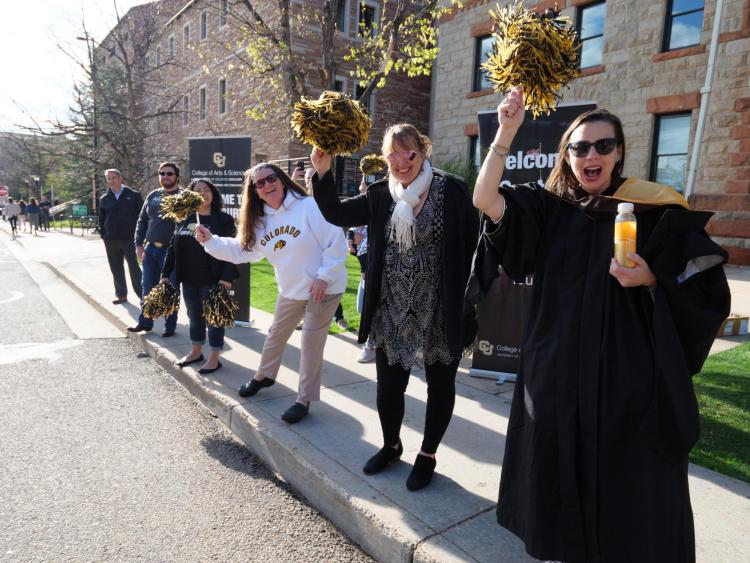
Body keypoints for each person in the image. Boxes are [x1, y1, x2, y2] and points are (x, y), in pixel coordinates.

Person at [472, 87, 731, 563]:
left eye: (603, 146)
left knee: (629, 486)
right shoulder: (547, 209)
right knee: (559, 482)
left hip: (627, 375)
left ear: (618, 154)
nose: (592, 155)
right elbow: (485, 196)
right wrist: (507, 131)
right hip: (558, 374)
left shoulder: (651, 211)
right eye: (581, 147)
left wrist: (652, 277)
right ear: (567, 155)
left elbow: (705, 288)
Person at [310, 123, 479, 491]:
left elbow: (472, 242)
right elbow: (335, 213)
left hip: (438, 308)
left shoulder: (451, 190)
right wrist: (322, 171)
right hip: (392, 309)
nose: (401, 162)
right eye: (393, 155)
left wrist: (470, 298)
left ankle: (428, 454)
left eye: (409, 153)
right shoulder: (379, 195)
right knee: (388, 387)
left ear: (423, 152)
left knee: (440, 385)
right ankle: (391, 445)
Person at [195, 163, 347, 424]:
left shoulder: (309, 206)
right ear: (255, 191)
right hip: (291, 288)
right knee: (275, 334)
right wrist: (210, 240)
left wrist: (324, 276)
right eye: (260, 184)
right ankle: (264, 375)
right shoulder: (260, 219)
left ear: (283, 179)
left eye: (270, 179)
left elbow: (335, 241)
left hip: (324, 287)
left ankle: (304, 399)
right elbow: (243, 251)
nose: (266, 185)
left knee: (310, 343)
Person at [160, 179, 238, 374]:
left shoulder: (224, 220)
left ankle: (214, 357)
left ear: (213, 194)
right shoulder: (184, 219)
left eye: (207, 189)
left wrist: (226, 277)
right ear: (190, 196)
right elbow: (173, 248)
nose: (203, 193)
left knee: (214, 319)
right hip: (188, 279)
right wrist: (165, 274)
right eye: (198, 190)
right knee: (194, 317)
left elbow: (233, 250)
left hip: (214, 280)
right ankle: (196, 351)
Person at [129, 162, 182, 337]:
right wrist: (138, 244)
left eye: (169, 173)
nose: (165, 176)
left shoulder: (184, 197)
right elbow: (142, 221)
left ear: (177, 177)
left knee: (169, 289)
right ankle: (145, 322)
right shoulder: (152, 196)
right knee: (147, 288)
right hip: (150, 251)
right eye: (162, 173)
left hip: (172, 253)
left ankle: (170, 326)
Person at [99, 168, 143, 305]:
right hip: (111, 240)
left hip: (130, 239)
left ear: (120, 178)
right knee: (116, 267)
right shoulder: (104, 199)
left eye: (113, 177)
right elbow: (101, 219)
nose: (111, 181)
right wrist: (104, 234)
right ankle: (121, 294)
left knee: (135, 268)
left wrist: (141, 236)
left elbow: (143, 217)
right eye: (109, 178)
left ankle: (144, 296)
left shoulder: (133, 195)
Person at [351, 179, 375, 363]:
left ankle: (370, 345)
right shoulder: (360, 216)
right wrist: (351, 241)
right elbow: (352, 236)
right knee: (361, 309)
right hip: (364, 274)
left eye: (364, 189)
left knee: (370, 311)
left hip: (377, 274)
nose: (361, 192)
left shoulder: (380, 212)